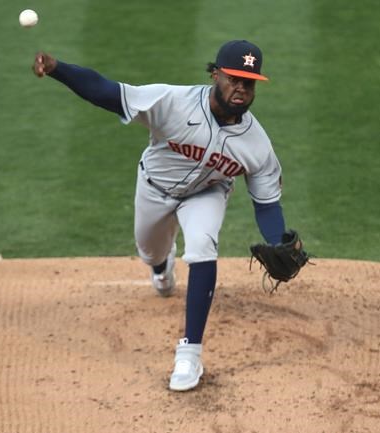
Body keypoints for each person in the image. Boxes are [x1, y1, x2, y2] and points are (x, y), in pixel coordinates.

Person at [33, 40, 290, 391]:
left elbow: (267, 203)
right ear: (216, 74)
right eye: (233, 79)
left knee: (202, 246)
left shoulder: (257, 145)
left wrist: (278, 240)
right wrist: (59, 69)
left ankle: (190, 354)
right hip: (154, 187)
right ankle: (160, 266)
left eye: (249, 82)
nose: (241, 88)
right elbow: (107, 93)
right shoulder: (172, 101)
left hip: (207, 194)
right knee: (150, 251)